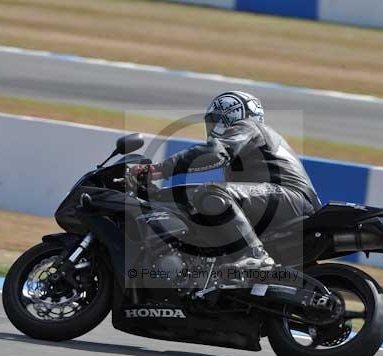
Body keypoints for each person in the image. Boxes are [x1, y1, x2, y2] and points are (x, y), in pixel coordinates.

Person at [132, 91, 321, 271]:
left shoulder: (247, 127)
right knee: (207, 199)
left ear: (231, 115)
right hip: (283, 201)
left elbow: (214, 153)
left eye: (215, 120)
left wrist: (158, 169)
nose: (212, 128)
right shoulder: (246, 148)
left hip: (292, 199)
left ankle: (255, 255)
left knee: (211, 190)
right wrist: (155, 194)